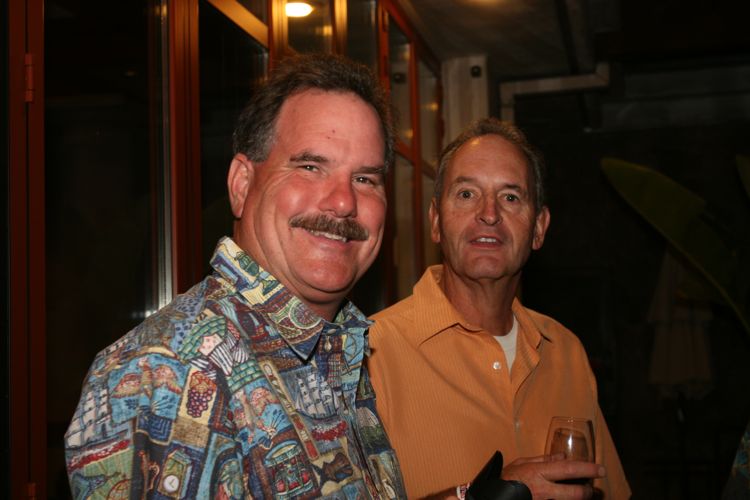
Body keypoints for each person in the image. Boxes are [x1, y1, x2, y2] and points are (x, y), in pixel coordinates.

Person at [65, 53, 406, 499]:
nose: (343, 202)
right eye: (310, 167)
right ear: (242, 184)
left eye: (365, 179)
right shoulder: (167, 372)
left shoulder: (338, 351)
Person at [367, 118, 631, 499]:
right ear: (436, 221)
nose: (489, 213)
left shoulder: (566, 352)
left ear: (539, 228)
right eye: (466, 194)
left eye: (510, 197)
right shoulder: (371, 353)